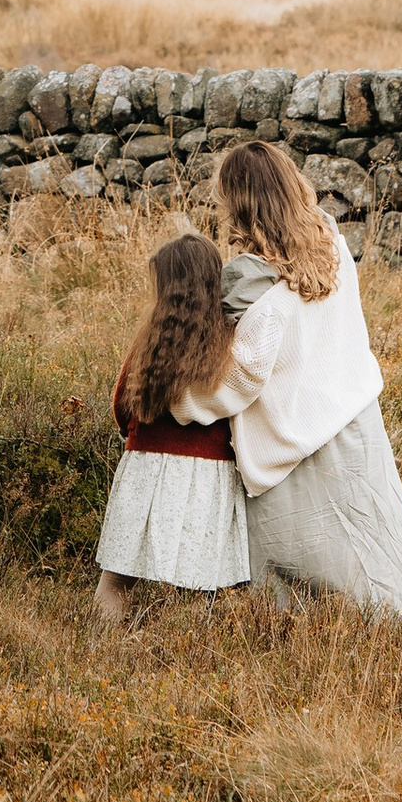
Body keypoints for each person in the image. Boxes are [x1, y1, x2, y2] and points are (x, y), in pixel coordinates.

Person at [210, 138, 402, 615]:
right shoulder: (329, 241)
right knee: (376, 547)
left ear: (238, 203)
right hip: (354, 417)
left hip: (296, 436)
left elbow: (244, 371)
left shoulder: (246, 279)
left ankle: (308, 635)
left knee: (302, 570)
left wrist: (182, 397)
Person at [91, 230, 253, 624]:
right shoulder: (230, 342)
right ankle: (185, 661)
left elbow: (121, 405)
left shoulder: (149, 341)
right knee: (201, 585)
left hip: (144, 468)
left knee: (116, 579)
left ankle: (96, 649)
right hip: (208, 475)